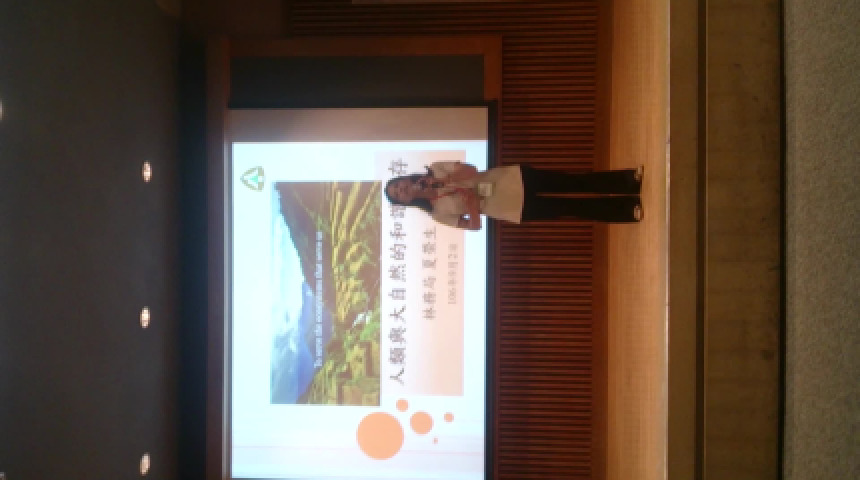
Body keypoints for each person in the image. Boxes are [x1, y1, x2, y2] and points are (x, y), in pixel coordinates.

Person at [384, 162, 643, 230]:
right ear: (405, 203)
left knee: (573, 181)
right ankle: (627, 209)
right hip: (512, 207)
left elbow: (472, 170)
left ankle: (628, 180)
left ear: (404, 179)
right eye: (398, 195)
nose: (401, 190)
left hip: (513, 178)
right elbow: (473, 226)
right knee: (572, 208)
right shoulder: (437, 214)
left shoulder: (436, 170)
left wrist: (444, 180)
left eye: (398, 185)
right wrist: (472, 207)